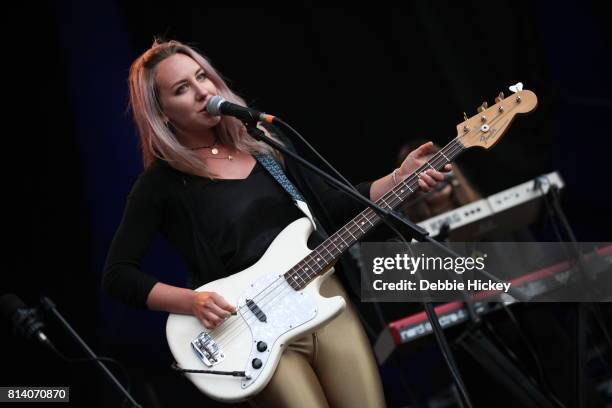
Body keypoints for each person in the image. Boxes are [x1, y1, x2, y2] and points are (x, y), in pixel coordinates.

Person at [102, 39, 451, 408]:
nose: (202, 90)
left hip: (325, 300)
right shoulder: (161, 184)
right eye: (182, 89)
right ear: (163, 113)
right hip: (252, 331)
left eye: (202, 76)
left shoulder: (265, 144)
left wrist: (401, 178)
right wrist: (192, 301)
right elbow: (118, 275)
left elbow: (333, 206)